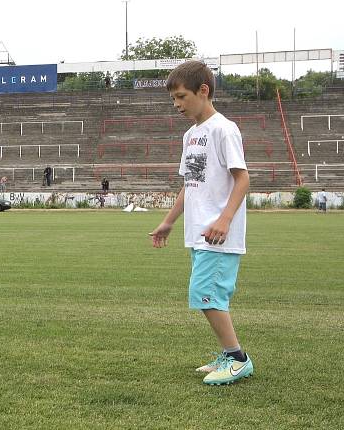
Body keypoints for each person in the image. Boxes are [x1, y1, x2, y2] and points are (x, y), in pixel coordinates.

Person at [148, 60, 253, 386]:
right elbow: (190, 184)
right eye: (174, 100)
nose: (177, 105)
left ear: (203, 91)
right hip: (198, 232)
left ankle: (237, 359)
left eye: (181, 97)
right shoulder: (191, 135)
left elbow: (243, 179)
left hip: (219, 233)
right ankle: (228, 353)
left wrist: (224, 219)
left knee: (205, 293)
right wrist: (168, 222)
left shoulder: (224, 129)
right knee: (207, 294)